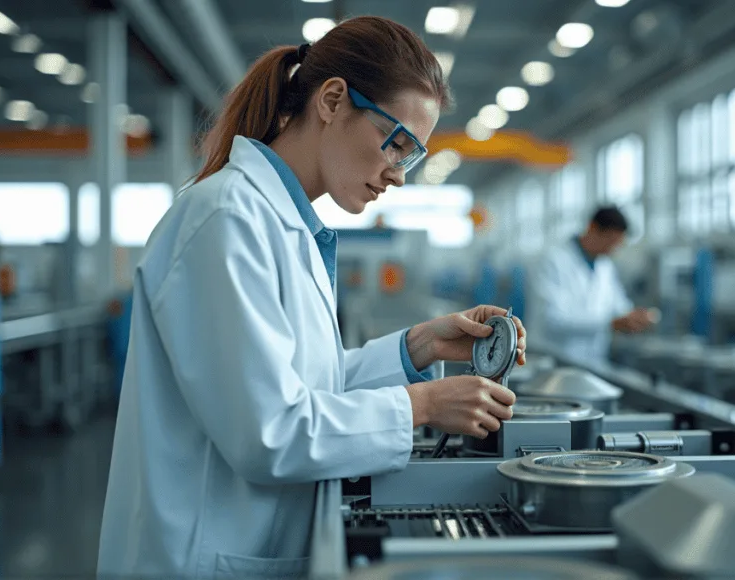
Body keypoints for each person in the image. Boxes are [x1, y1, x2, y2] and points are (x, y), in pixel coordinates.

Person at [96, 16, 526, 579]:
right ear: (331, 100)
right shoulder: (226, 219)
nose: (397, 175)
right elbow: (270, 432)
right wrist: (422, 405)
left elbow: (302, 386)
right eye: (396, 143)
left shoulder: (282, 224)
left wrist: (418, 347)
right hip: (195, 559)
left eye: (411, 156)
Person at [530, 206, 653, 367]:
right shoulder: (552, 260)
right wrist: (610, 323)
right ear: (592, 228)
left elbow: (618, 304)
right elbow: (553, 319)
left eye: (616, 245)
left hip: (594, 362)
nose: (611, 250)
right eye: (610, 242)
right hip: (554, 360)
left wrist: (633, 317)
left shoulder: (605, 266)